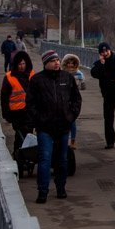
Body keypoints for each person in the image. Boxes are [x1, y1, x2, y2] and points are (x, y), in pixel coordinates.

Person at [25, 50, 81, 203]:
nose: (56, 62)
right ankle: (42, 191)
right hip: (45, 128)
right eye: (52, 60)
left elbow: (76, 100)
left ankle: (61, 188)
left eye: (57, 60)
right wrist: (39, 120)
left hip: (63, 127)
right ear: (45, 63)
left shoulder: (67, 78)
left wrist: (70, 117)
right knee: (45, 159)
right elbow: (30, 104)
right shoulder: (37, 80)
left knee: (62, 160)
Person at [0, 50, 35, 175]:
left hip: (30, 112)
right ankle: (19, 158)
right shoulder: (9, 77)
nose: (22, 66)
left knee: (29, 135)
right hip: (16, 113)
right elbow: (4, 97)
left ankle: (27, 159)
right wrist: (6, 114)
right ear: (16, 64)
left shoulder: (32, 75)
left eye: (24, 64)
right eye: (20, 64)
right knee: (20, 137)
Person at [61, 54, 85, 149]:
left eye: (72, 63)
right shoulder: (61, 73)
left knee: (72, 121)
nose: (70, 65)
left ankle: (73, 141)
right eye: (68, 63)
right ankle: (64, 139)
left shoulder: (79, 74)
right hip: (63, 100)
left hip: (73, 100)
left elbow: (83, 86)